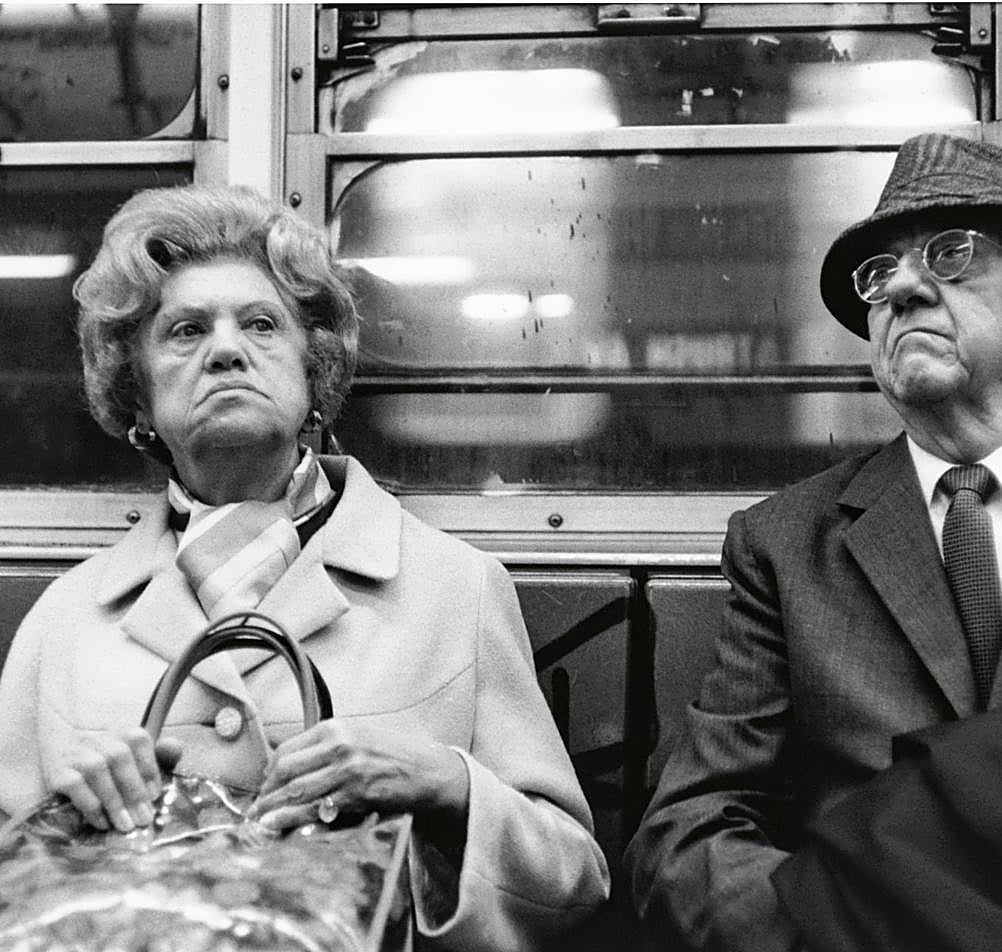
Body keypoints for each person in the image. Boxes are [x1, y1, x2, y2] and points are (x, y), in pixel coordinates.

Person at [625, 132, 1002, 952]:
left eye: (949, 253)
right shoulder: (786, 544)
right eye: (877, 273)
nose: (899, 287)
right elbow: (690, 826)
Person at [0, 184, 609, 951]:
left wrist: (448, 786)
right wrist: (58, 816)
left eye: (260, 324)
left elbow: (574, 882)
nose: (225, 349)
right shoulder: (66, 619)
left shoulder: (457, 588)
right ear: (138, 394)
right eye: (184, 331)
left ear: (313, 374)